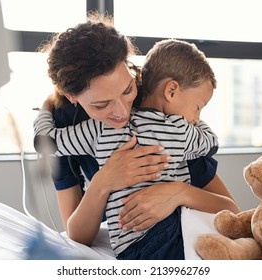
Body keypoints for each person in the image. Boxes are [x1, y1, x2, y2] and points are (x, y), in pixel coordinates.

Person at [34, 13, 240, 259]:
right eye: (102, 105)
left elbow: (232, 210)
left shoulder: (162, 110)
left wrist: (177, 192)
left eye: (127, 90)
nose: (122, 112)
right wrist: (104, 180)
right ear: (72, 97)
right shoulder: (66, 123)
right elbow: (77, 234)